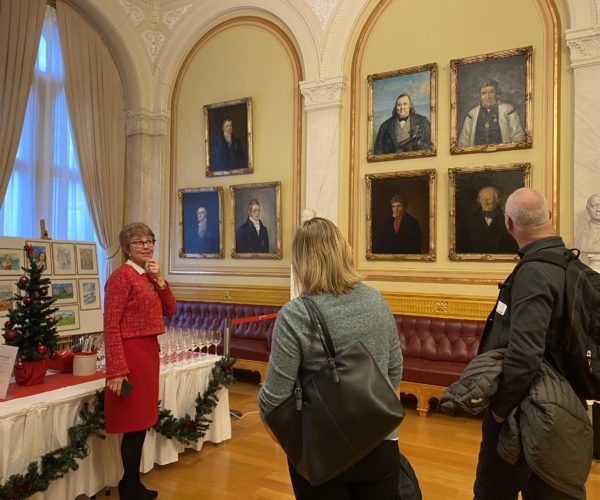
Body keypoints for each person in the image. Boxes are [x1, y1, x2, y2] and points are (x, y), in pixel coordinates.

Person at [258, 217, 403, 499]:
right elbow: (394, 371)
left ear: (301, 263)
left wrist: (292, 446)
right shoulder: (375, 299)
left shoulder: (295, 315)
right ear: (342, 252)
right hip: (380, 444)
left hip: (322, 452)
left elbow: (274, 401)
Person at [474, 188, 587, 499]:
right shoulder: (569, 262)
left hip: (527, 410)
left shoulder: (534, 272)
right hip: (563, 403)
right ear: (549, 217)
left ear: (508, 223)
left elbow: (524, 354)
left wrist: (499, 410)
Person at [103, 222, 176, 499]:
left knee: (142, 421)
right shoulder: (121, 277)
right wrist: (117, 369)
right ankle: (130, 488)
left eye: (149, 240)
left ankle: (130, 483)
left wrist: (160, 281)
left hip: (148, 353)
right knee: (133, 424)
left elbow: (170, 309)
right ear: (125, 248)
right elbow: (110, 325)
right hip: (130, 356)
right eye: (138, 242)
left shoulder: (146, 276)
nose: (146, 246)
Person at [458, 79, 525, 147]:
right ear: (480, 96)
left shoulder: (508, 110)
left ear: (497, 94)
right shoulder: (472, 114)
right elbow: (464, 141)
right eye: (484, 93)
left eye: (491, 92)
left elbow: (518, 136)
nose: (488, 97)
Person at [457, 186, 518, 254]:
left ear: (497, 200)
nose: (485, 203)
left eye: (489, 199)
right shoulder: (469, 219)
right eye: (482, 199)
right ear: (479, 200)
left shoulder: (507, 218)